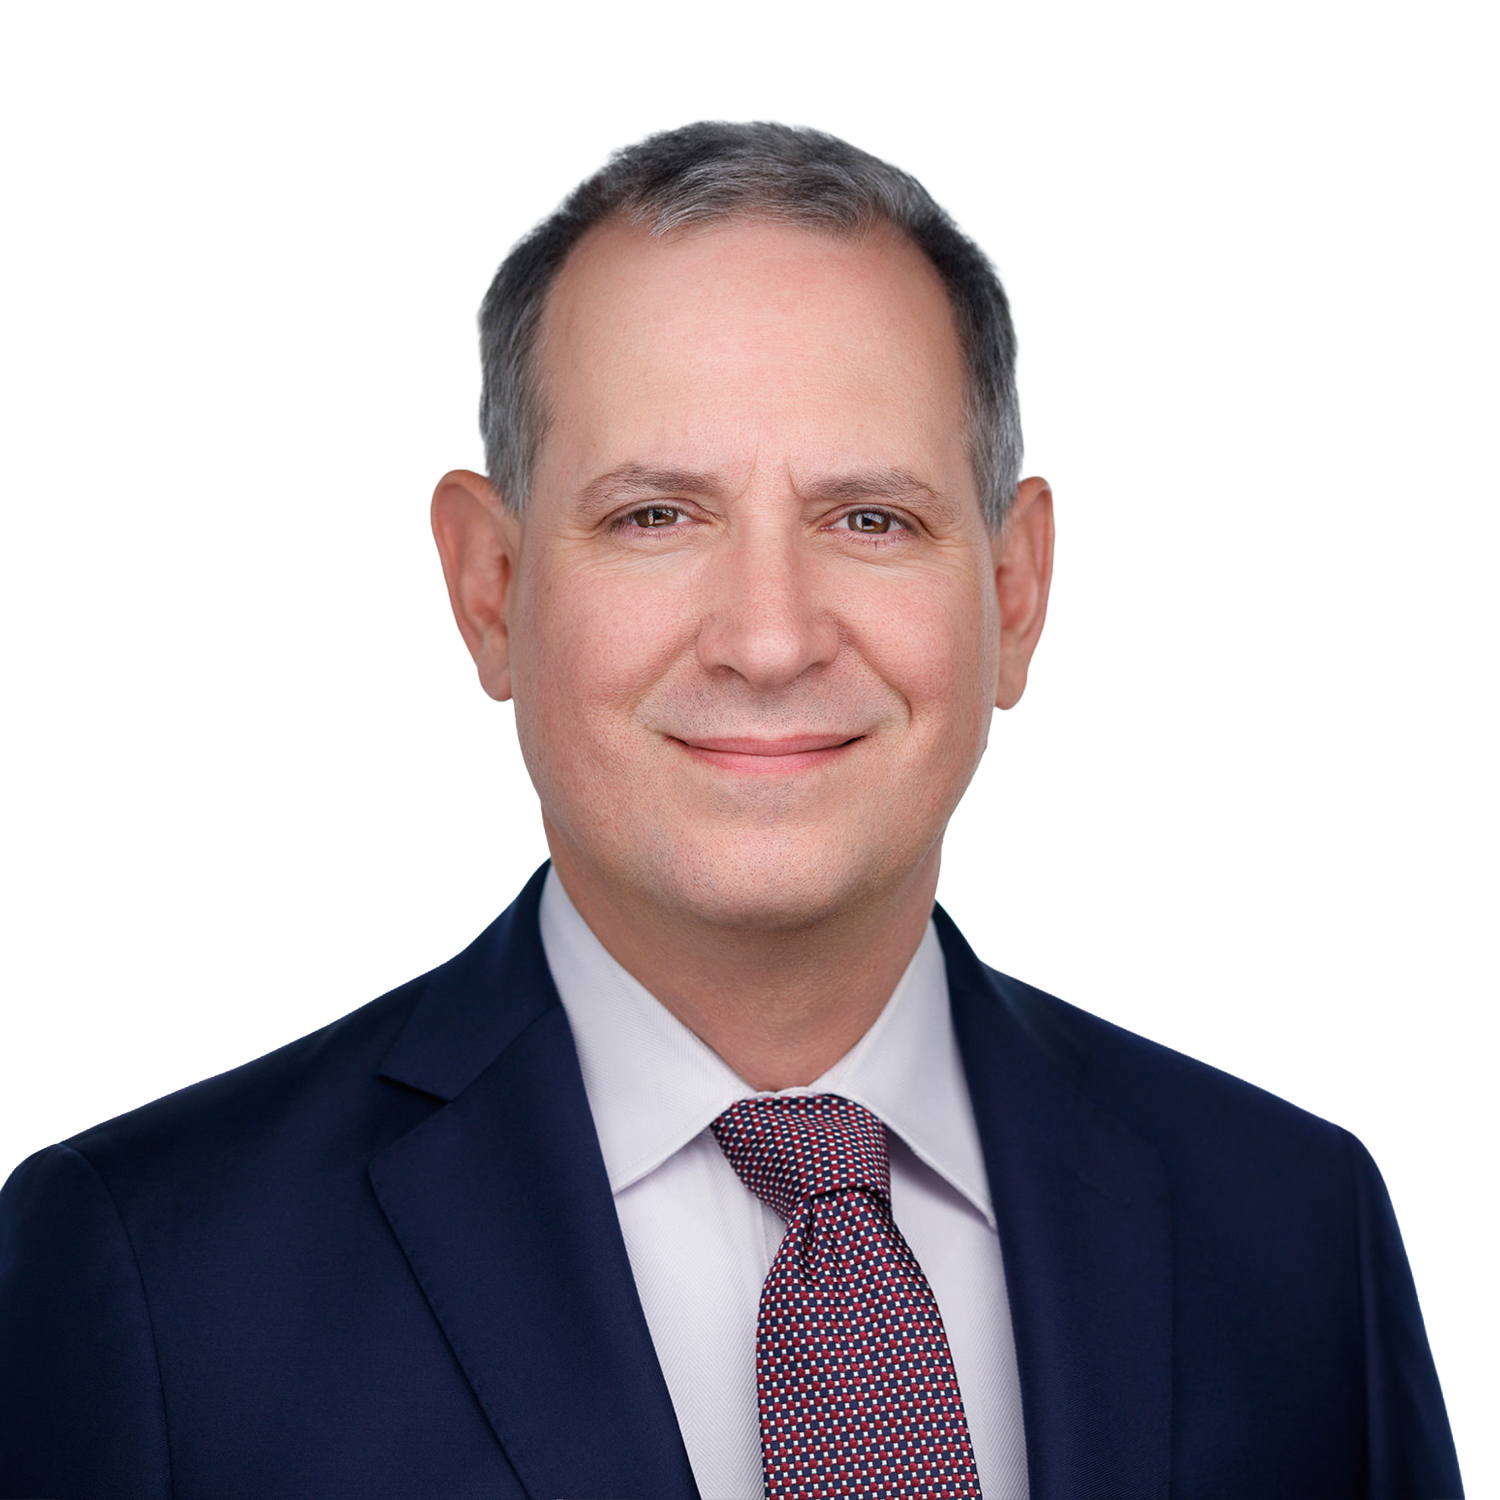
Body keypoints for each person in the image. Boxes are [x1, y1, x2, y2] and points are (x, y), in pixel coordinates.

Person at [0, 122, 1461, 1500]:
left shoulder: (1294, 1233)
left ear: (1014, 593)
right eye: (656, 516)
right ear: (490, 587)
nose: (769, 639)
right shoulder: (152, 1278)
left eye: (870, 518)